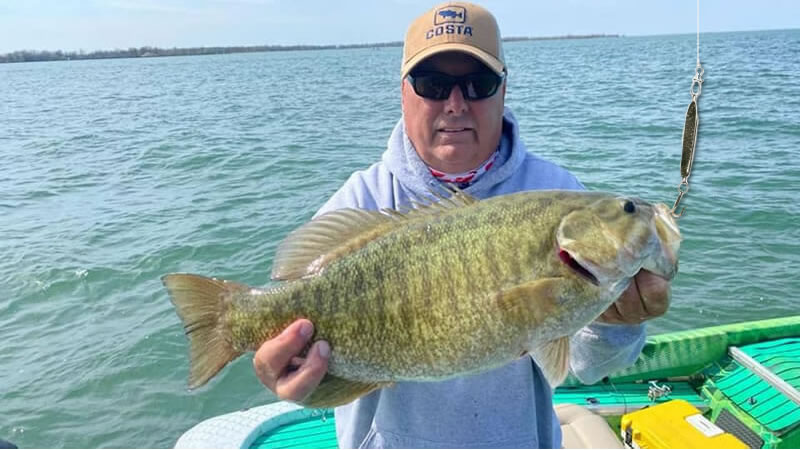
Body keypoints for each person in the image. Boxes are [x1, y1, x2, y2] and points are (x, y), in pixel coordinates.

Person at [253, 2, 670, 448]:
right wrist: (294, 376)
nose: (455, 104)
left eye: (478, 84)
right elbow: (309, 365)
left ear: (504, 90)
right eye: (433, 84)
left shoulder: (555, 189)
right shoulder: (361, 202)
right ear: (403, 92)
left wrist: (618, 323)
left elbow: (585, 366)